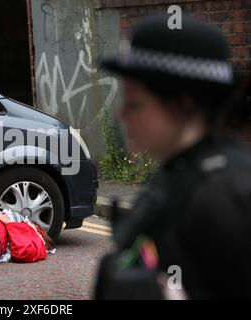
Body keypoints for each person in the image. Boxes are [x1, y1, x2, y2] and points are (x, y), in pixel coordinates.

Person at [94, 14, 251, 299]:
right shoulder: (181, 173)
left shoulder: (228, 195)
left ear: (182, 104)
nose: (122, 115)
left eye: (135, 103)